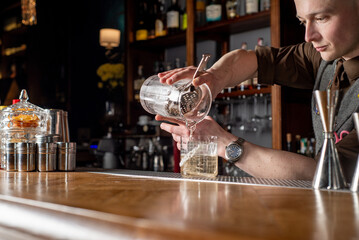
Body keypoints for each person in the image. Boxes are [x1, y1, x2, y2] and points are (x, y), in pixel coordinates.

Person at [155, 0, 359, 181]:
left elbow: (328, 174)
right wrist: (215, 77)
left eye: (321, 18)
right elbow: (254, 61)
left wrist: (225, 144)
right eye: (303, 22)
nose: (308, 36)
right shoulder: (327, 57)